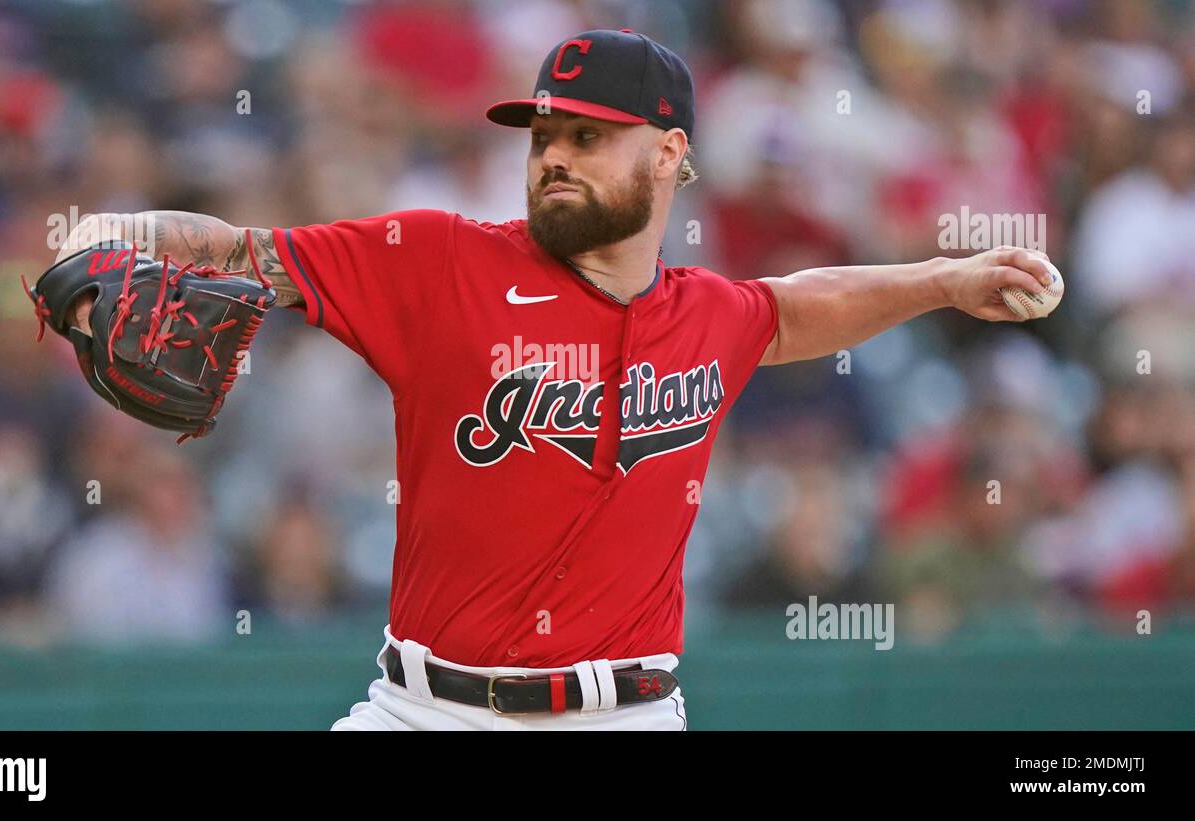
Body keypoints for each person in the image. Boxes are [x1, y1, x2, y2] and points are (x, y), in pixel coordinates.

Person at [54, 29, 1053, 730]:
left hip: (626, 714)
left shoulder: (707, 315)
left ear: (669, 154)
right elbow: (246, 251)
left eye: (586, 136)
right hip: (425, 710)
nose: (553, 158)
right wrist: (107, 234)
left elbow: (795, 306)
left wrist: (946, 278)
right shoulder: (437, 260)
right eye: (542, 137)